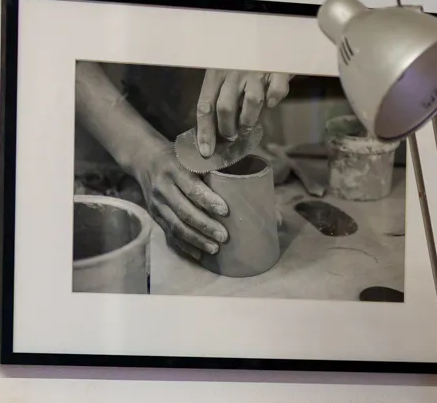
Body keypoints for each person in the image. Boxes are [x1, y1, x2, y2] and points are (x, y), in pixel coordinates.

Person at [75, 64, 290, 264]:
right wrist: (142, 150)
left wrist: (276, 50)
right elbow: (57, 47)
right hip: (107, 128)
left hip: (232, 122)